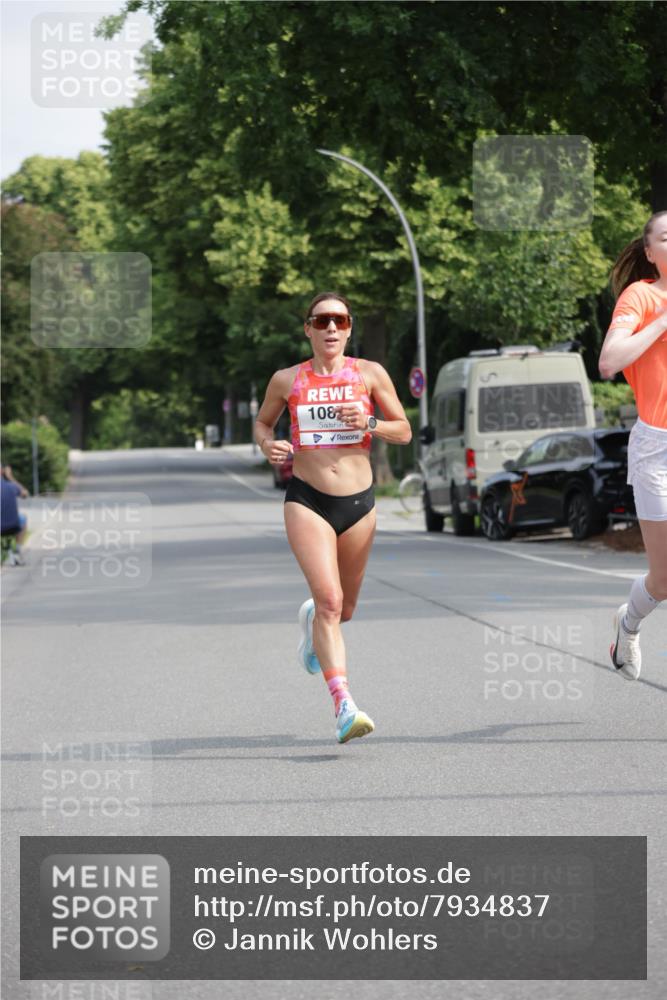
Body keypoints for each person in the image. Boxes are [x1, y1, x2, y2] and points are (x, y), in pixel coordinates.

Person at [254, 292, 412, 743]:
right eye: (321, 320)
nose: (330, 328)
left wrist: (368, 423)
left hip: (359, 504)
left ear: (348, 329)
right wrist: (267, 445)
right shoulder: (287, 380)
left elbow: (404, 430)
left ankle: (312, 628)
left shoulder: (369, 374)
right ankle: (344, 704)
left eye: (339, 321)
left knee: (345, 609)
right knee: (328, 602)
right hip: (307, 500)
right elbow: (263, 424)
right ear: (308, 328)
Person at [598, 210, 667, 679]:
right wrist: (661, 323)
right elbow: (609, 361)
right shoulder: (641, 296)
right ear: (650, 252)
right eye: (666, 237)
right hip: (657, 448)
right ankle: (629, 623)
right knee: (663, 578)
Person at [1, 463, 30, 553]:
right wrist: (10, 477)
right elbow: (25, 494)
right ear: (2, 471)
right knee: (23, 518)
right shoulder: (12, 486)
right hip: (13, 526)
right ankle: (18, 548)